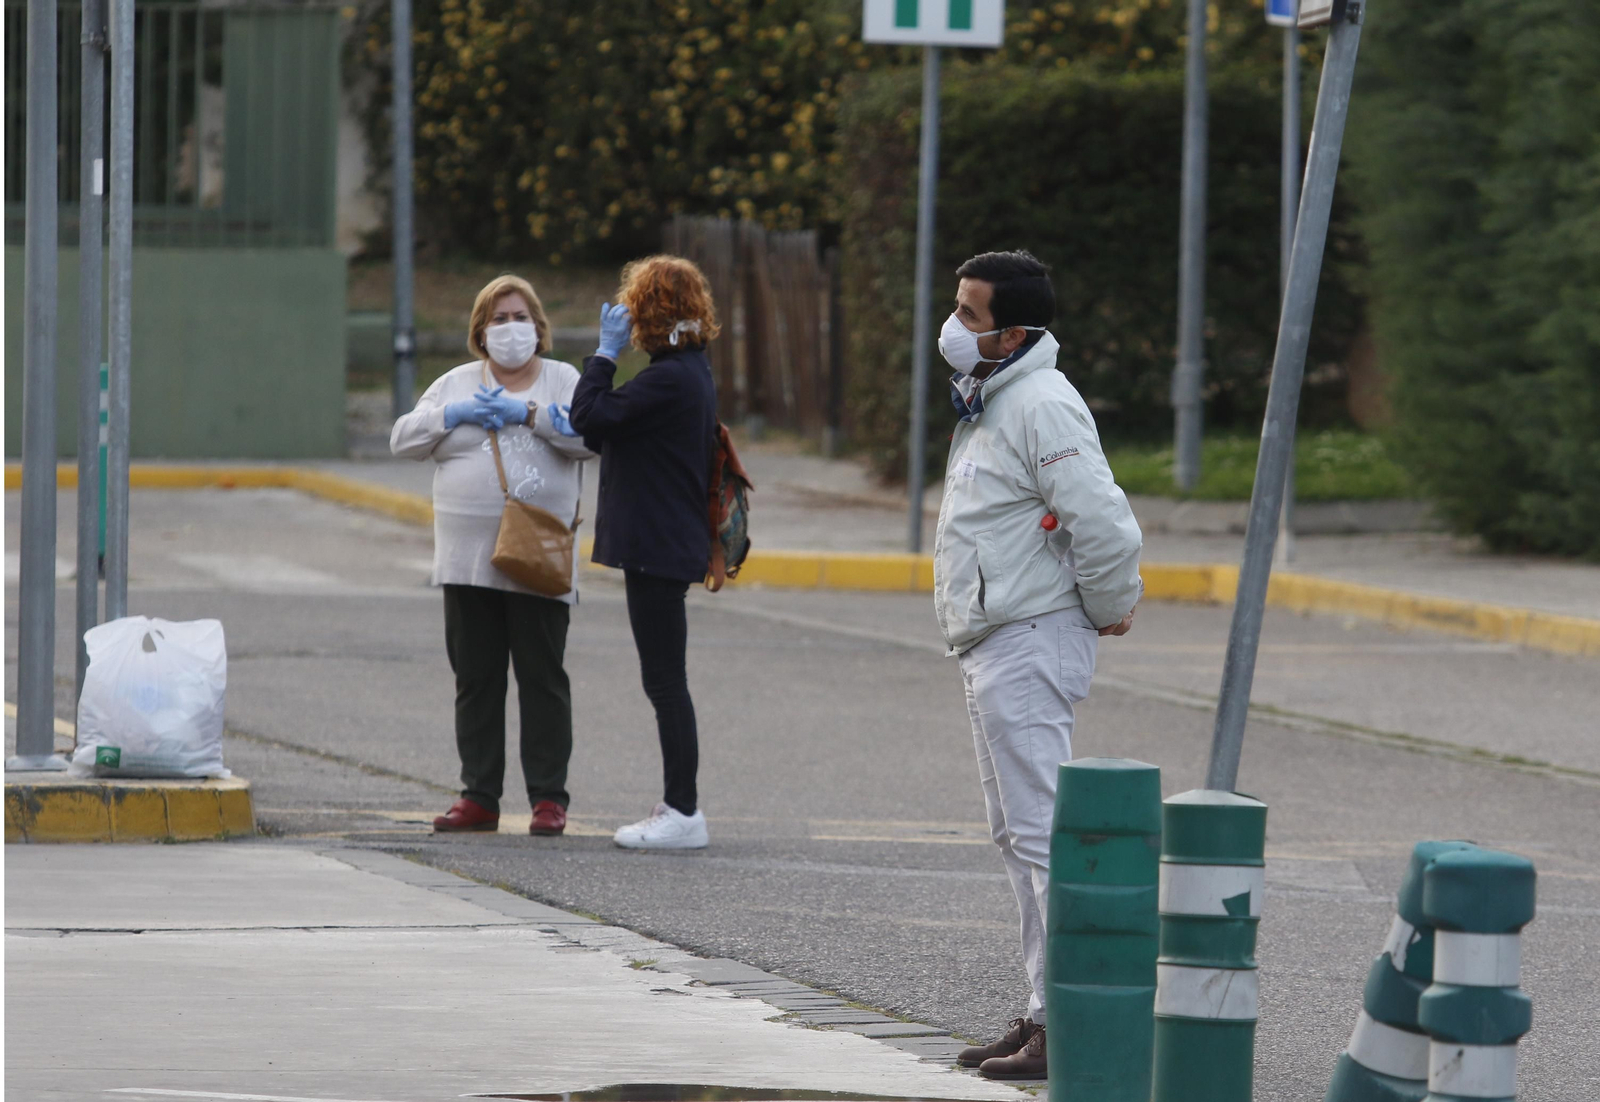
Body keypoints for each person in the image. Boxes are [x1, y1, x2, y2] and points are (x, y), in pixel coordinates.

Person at [933, 251, 1143, 1081]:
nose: (954, 326)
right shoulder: (993, 400)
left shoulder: (1042, 405)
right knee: (1018, 835)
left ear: (1014, 333)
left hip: (1030, 636)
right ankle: (1043, 1011)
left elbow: (1104, 522)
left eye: (970, 316)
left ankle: (1072, 1024)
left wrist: (1106, 604)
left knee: (1044, 836)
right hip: (996, 637)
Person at [390, 274, 595, 837]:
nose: (511, 328)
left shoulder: (562, 379)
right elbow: (403, 440)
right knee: (476, 676)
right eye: (499, 319)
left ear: (539, 326)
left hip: (538, 550)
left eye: (520, 317)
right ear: (481, 331)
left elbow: (592, 438)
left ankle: (548, 798)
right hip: (467, 557)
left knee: (542, 675)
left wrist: (530, 415)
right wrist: (450, 417)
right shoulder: (455, 383)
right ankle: (478, 795)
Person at [566, 255, 719, 850]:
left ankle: (682, 811)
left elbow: (588, 416)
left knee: (665, 681)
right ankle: (680, 807)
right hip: (665, 539)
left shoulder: (667, 377)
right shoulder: (687, 371)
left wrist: (603, 357)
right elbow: (605, 427)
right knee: (665, 678)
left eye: (633, 310)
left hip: (658, 544)